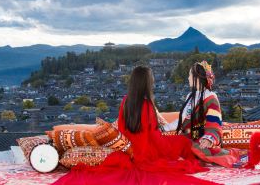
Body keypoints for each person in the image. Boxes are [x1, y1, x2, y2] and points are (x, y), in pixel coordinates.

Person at [53, 66, 216, 185]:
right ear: (146, 83)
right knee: (182, 142)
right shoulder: (148, 105)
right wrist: (167, 150)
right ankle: (203, 156)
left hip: (130, 148)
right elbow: (154, 136)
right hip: (148, 149)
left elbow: (122, 128)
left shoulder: (125, 101)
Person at [171, 61, 240, 168]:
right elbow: (182, 120)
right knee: (174, 146)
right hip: (186, 137)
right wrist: (164, 127)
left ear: (198, 78)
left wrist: (209, 138)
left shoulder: (211, 98)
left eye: (190, 75)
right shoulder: (189, 96)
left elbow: (214, 122)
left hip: (202, 138)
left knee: (201, 149)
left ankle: (235, 157)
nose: (188, 78)